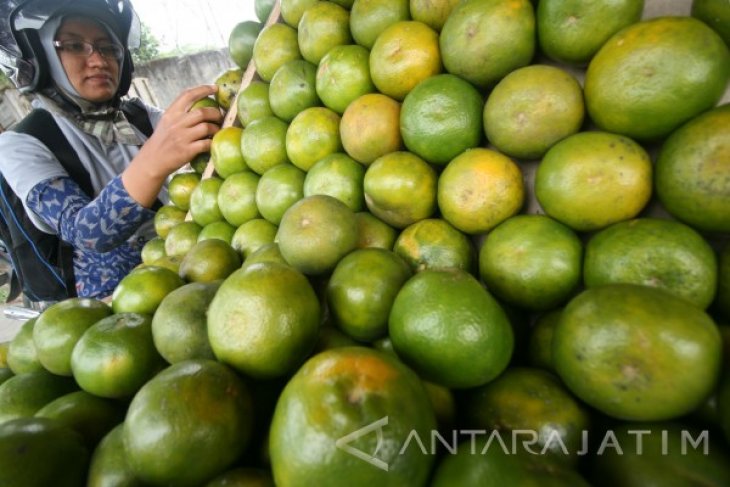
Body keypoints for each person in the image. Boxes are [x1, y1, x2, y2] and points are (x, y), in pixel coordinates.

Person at [0, 0, 222, 302]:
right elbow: (87, 231)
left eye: (108, 48)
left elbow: (201, 133)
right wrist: (153, 161)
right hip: (95, 317)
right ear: (40, 56)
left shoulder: (137, 117)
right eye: (75, 46)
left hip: (176, 280)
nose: (99, 60)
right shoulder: (21, 143)